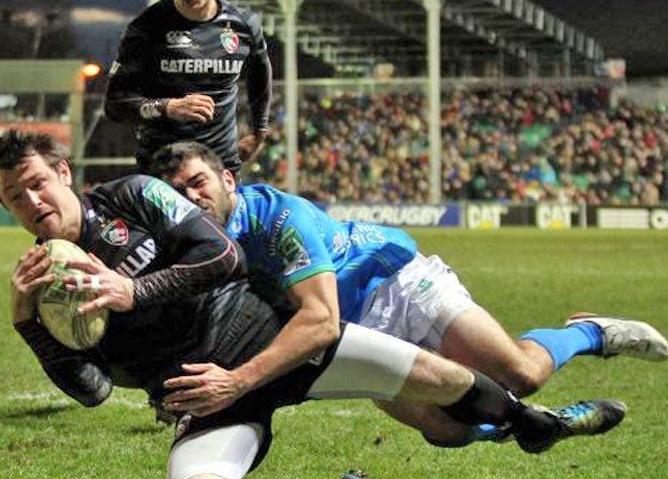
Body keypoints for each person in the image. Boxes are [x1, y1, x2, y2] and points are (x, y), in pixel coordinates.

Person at [0, 129, 617, 479]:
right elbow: (91, 391)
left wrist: (131, 289)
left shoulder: (134, 196)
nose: (33, 203)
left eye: (38, 183)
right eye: (16, 197)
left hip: (268, 344)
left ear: (63, 174)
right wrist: (25, 326)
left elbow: (221, 256)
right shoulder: (39, 285)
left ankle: (534, 423)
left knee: (449, 382)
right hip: (203, 391)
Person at [151, 140, 666, 445]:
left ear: (227, 178)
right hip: (353, 331)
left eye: (199, 182)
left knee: (521, 373)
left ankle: (587, 333)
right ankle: (536, 426)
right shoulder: (193, 245)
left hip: (395, 283)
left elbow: (319, 322)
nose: (192, 197)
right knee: (443, 431)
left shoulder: (280, 218)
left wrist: (238, 382)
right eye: (178, 193)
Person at [104, 0, 271, 177]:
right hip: (162, 170)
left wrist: (259, 130)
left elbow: (261, 75)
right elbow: (115, 104)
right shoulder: (145, 29)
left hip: (220, 169)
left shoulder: (244, 25)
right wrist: (168, 107)